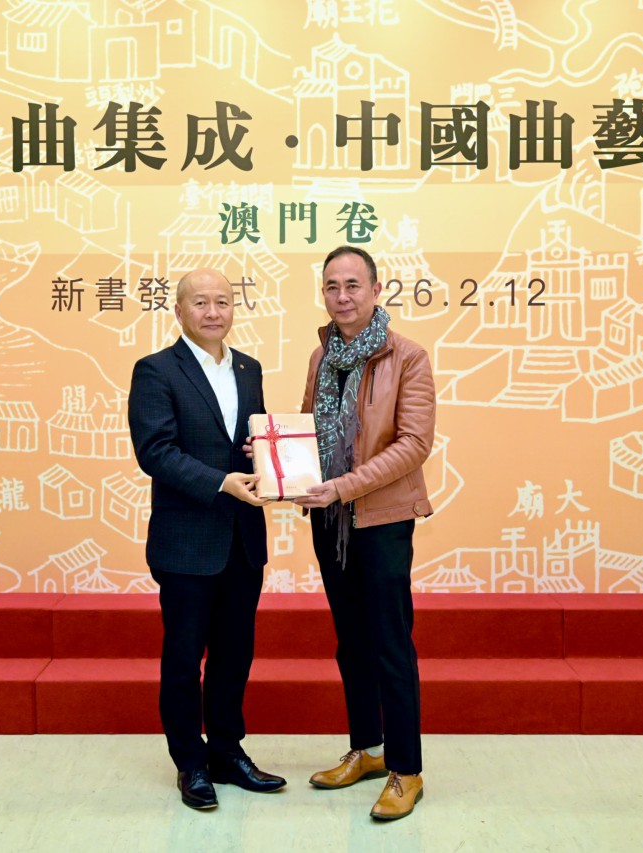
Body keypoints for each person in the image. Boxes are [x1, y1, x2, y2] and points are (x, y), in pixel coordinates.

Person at [128, 268, 286, 810]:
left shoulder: (249, 368)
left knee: (234, 654)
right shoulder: (155, 370)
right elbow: (155, 451)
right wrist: (221, 482)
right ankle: (189, 763)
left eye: (222, 301)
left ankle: (226, 751)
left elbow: (247, 439)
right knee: (183, 658)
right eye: (200, 302)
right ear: (179, 311)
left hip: (243, 537)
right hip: (186, 541)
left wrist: (261, 456)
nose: (213, 311)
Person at [293, 245, 435, 821]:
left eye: (353, 285)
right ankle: (368, 750)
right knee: (351, 641)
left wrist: (343, 486)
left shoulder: (408, 357)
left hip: (380, 520)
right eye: (332, 286)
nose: (342, 296)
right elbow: (307, 429)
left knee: (389, 644)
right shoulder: (321, 356)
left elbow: (414, 444)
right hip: (331, 522)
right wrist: (276, 456)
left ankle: (406, 769)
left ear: (376, 290)